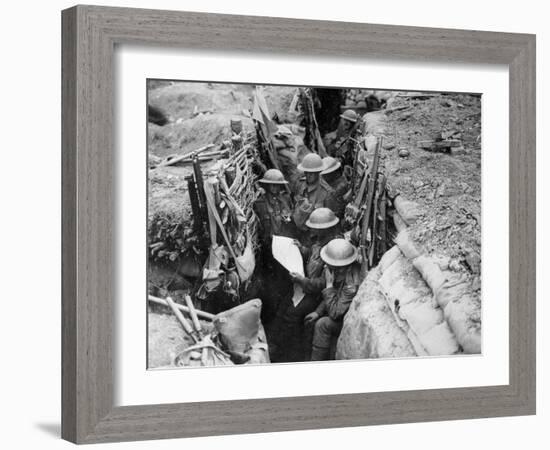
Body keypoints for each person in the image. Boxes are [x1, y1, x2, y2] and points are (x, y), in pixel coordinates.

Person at [269, 208, 341, 362]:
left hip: (316, 295)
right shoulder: (319, 240)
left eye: (315, 227)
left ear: (325, 228)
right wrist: (302, 249)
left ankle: (290, 354)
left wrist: (302, 280)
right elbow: (312, 254)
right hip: (304, 286)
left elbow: (324, 283)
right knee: (282, 306)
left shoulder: (334, 249)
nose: (312, 230)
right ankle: (276, 346)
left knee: (292, 316)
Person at [305, 238, 361, 361]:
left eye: (329, 265)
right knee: (313, 320)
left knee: (322, 324)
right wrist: (318, 312)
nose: (326, 266)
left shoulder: (351, 285)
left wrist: (329, 286)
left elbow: (335, 314)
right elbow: (335, 294)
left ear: (340, 267)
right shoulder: (341, 271)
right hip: (337, 307)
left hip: (345, 318)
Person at [253, 169, 295, 324]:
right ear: (267, 185)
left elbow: (291, 224)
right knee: (271, 286)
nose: (275, 189)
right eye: (272, 185)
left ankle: (283, 316)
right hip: (269, 252)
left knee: (286, 282)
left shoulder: (285, 200)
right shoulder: (260, 204)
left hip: (285, 248)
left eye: (278, 186)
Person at [292, 153, 335, 235]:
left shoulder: (326, 192)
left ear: (318, 172)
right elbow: (294, 205)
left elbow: (330, 220)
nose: (308, 175)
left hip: (315, 235)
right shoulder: (299, 184)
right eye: (306, 172)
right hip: (298, 231)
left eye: (312, 173)